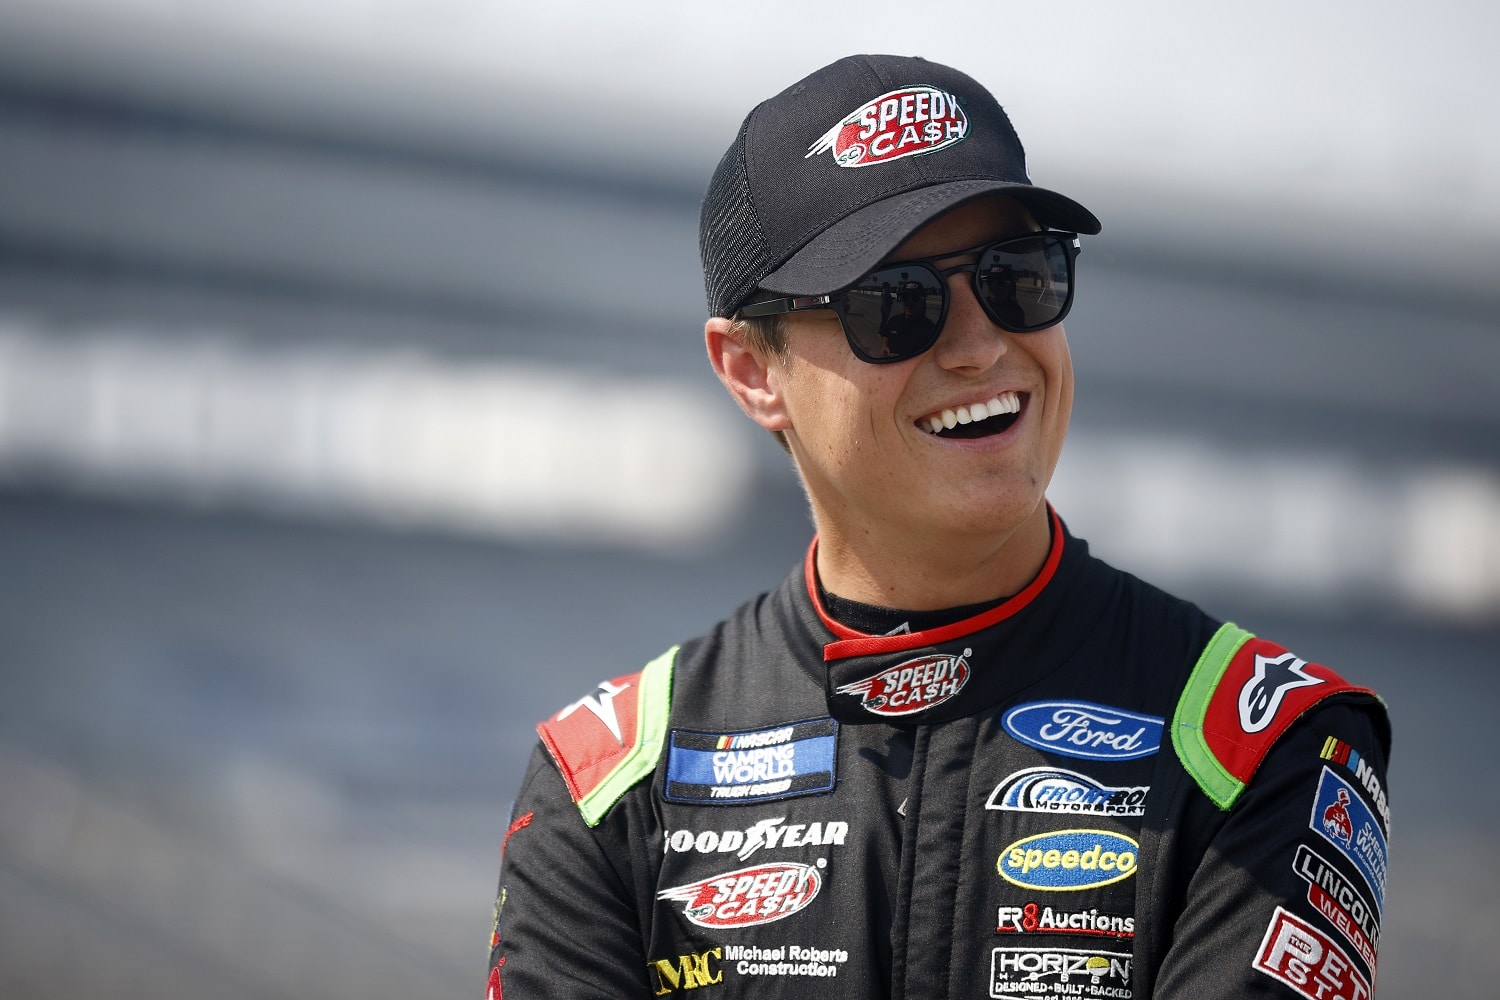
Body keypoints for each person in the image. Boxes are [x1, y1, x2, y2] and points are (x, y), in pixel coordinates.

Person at [485, 54, 1390, 1000]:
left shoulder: (1272, 743)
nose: (981, 346)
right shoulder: (609, 781)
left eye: (1018, 277)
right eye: (897, 303)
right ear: (753, 371)